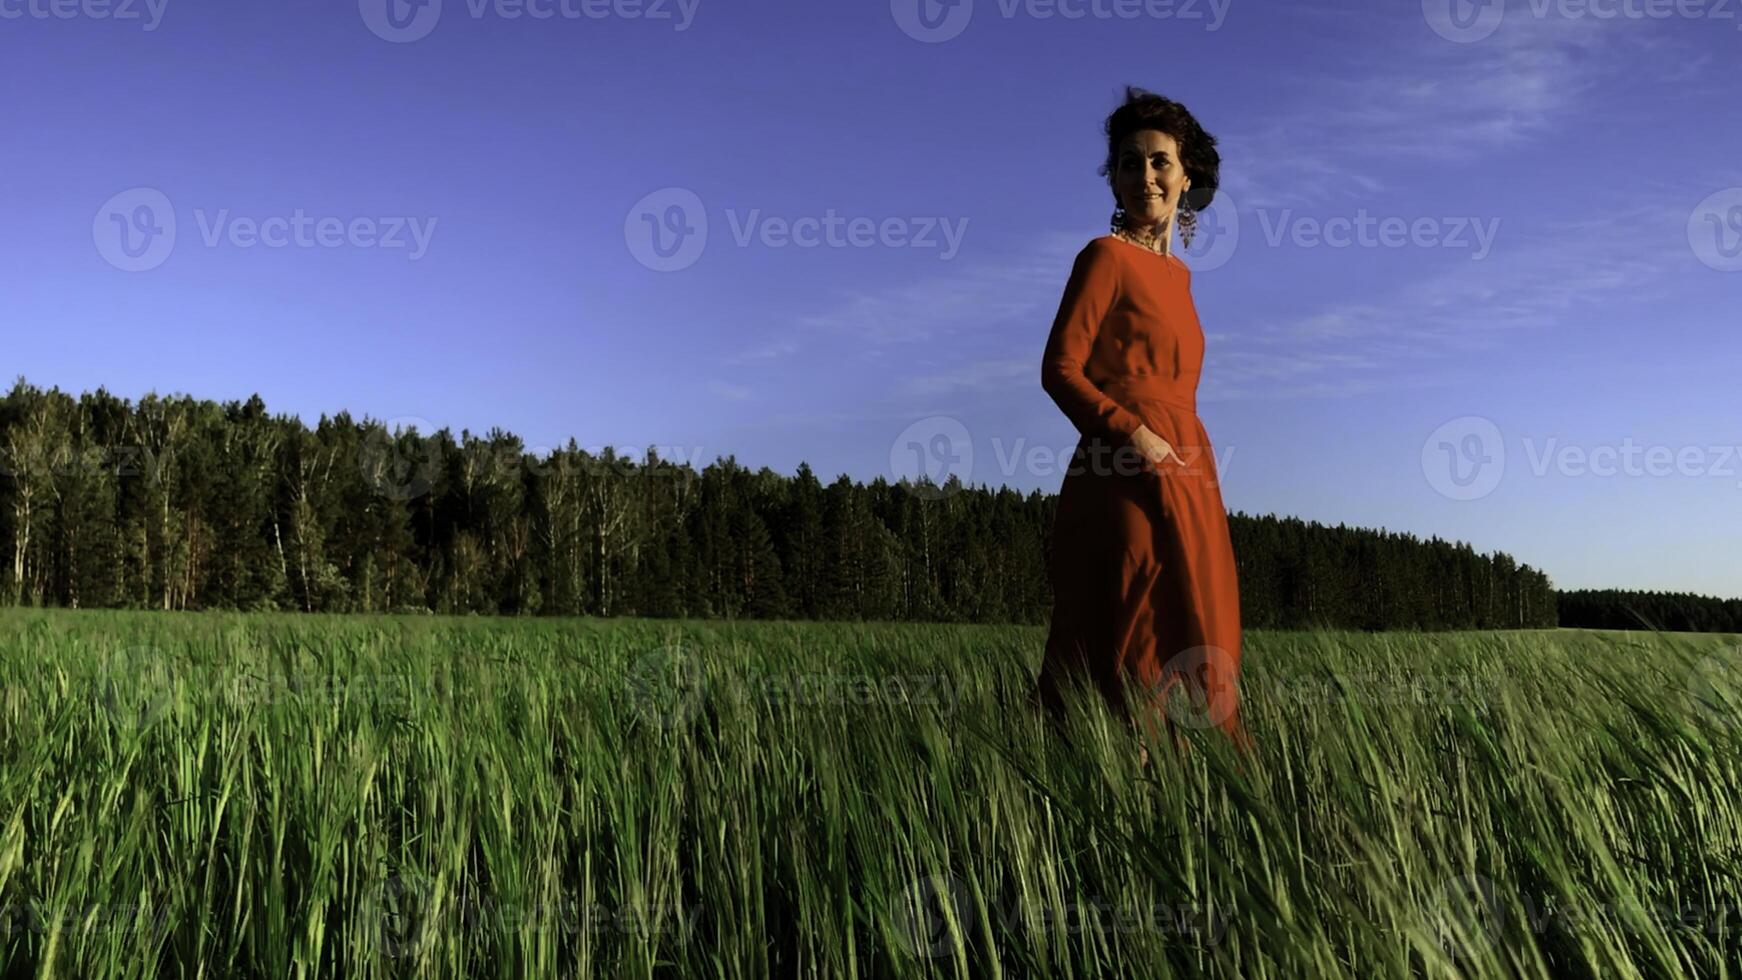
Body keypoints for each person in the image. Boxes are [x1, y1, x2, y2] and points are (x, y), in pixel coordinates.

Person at [1031, 85, 1254, 764]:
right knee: (1127, 623)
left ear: (1187, 176)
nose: (1145, 176)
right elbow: (1059, 370)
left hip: (1189, 466)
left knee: (1198, 619)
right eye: (1129, 163)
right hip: (1120, 468)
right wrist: (1135, 436)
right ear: (1115, 177)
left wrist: (1173, 449)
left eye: (1159, 161)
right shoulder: (1104, 256)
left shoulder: (1180, 278)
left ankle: (1181, 792)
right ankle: (1096, 781)